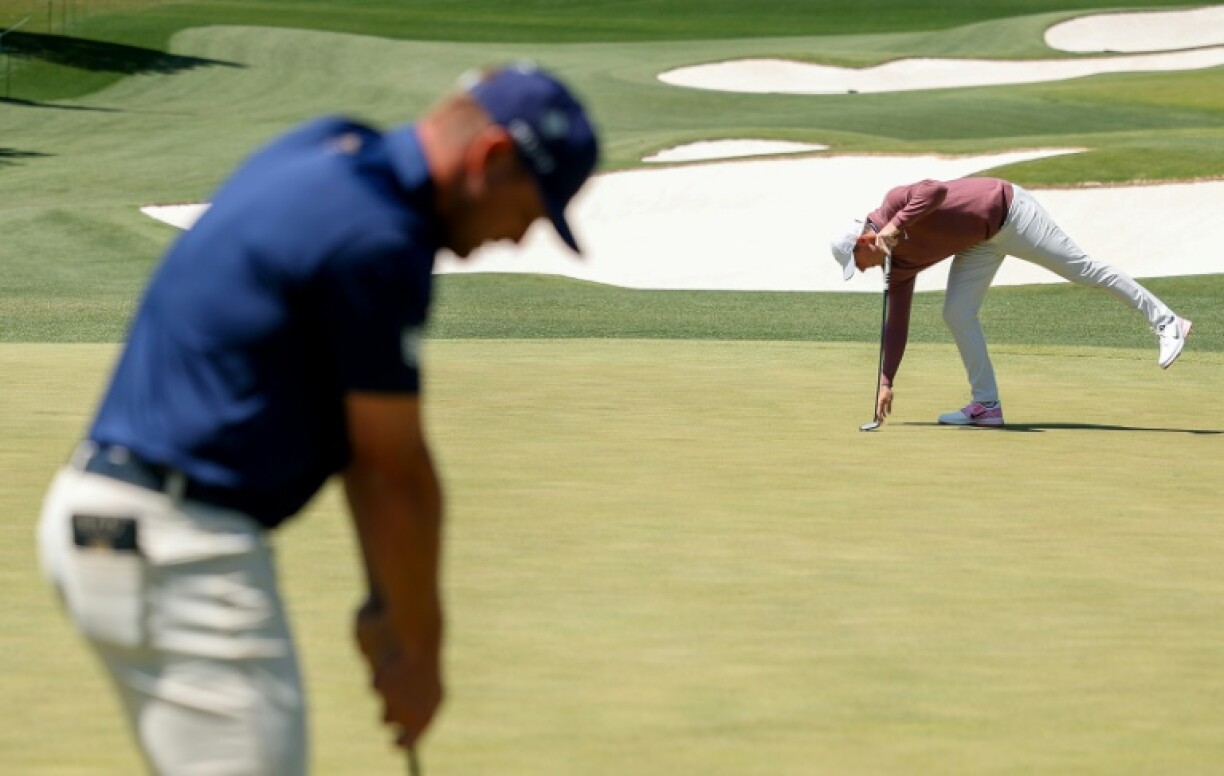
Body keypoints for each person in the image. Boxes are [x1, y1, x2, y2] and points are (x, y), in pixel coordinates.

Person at [37, 63, 598, 774]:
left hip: (105, 516)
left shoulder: (327, 148)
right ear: (489, 159)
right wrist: (419, 655)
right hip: (179, 546)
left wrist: (385, 608)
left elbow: (363, 456)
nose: (520, 237)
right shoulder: (381, 243)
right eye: (531, 207)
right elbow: (396, 473)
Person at [830, 177, 1192, 427]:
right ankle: (986, 405)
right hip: (978, 241)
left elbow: (935, 190)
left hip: (1010, 212)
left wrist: (898, 224)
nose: (860, 271)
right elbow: (896, 322)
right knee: (956, 312)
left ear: (863, 241)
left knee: (1083, 270)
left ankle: (1167, 322)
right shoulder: (897, 267)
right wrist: (886, 380)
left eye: (856, 264)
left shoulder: (894, 202)